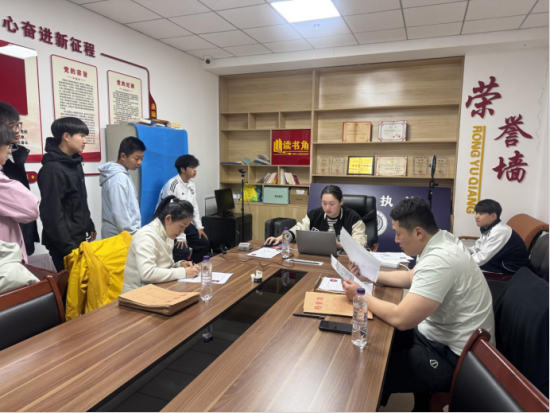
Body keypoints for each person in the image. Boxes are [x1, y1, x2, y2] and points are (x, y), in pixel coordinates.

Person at [342, 197, 495, 412]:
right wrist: (370, 276)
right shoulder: (442, 239)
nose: (396, 240)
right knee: (377, 340)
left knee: (370, 370)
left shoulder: (440, 260)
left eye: (398, 234)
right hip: (437, 335)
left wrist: (359, 295)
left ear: (418, 232)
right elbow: (411, 277)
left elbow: (402, 318)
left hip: (455, 356)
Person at [38, 118, 96, 272]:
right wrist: (68, 248)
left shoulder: (74, 163)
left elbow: (79, 199)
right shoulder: (52, 170)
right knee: (72, 284)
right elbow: (51, 213)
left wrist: (88, 223)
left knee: (86, 281)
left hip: (78, 235)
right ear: (66, 136)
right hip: (64, 242)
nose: (85, 141)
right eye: (81, 136)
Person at [123, 196, 201, 294]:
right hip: (137, 294)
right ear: (168, 219)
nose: (182, 232)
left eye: (185, 228)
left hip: (157, 289)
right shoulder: (146, 236)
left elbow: (164, 267)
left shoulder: (167, 233)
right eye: (181, 226)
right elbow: (147, 274)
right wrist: (183, 272)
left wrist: (180, 265)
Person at [265, 185, 367, 249]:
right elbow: (298, 229)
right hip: (318, 257)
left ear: (341, 202)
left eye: (332, 204)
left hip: (344, 260)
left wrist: (339, 245)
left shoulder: (353, 218)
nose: (327, 208)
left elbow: (360, 243)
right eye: (324, 203)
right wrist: (280, 238)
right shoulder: (314, 214)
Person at [0, 102, 40, 257]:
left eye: (18, 125)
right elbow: (30, 207)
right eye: (11, 126)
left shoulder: (17, 154)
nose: (17, 130)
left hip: (17, 231)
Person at [157, 155, 210, 264]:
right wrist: (181, 236)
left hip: (184, 222)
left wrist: (199, 227)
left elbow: (193, 206)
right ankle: (179, 271)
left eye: (195, 167)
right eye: (192, 167)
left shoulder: (191, 184)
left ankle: (194, 267)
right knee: (183, 250)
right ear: (182, 169)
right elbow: (171, 212)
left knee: (203, 243)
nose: (195, 170)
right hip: (169, 223)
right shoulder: (173, 184)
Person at [99, 137, 146, 239]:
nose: (139, 162)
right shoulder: (118, 178)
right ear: (123, 156)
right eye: (136, 158)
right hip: (119, 235)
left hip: (122, 233)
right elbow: (119, 212)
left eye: (141, 159)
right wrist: (133, 235)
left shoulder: (122, 174)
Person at [469, 199, 531, 275]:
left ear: (493, 216)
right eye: (476, 213)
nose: (476, 217)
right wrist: (462, 250)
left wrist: (461, 260)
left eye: (481, 213)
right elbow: (478, 248)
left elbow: (481, 259)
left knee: (466, 269)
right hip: (498, 262)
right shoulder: (487, 228)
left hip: (511, 271)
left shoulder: (499, 232)